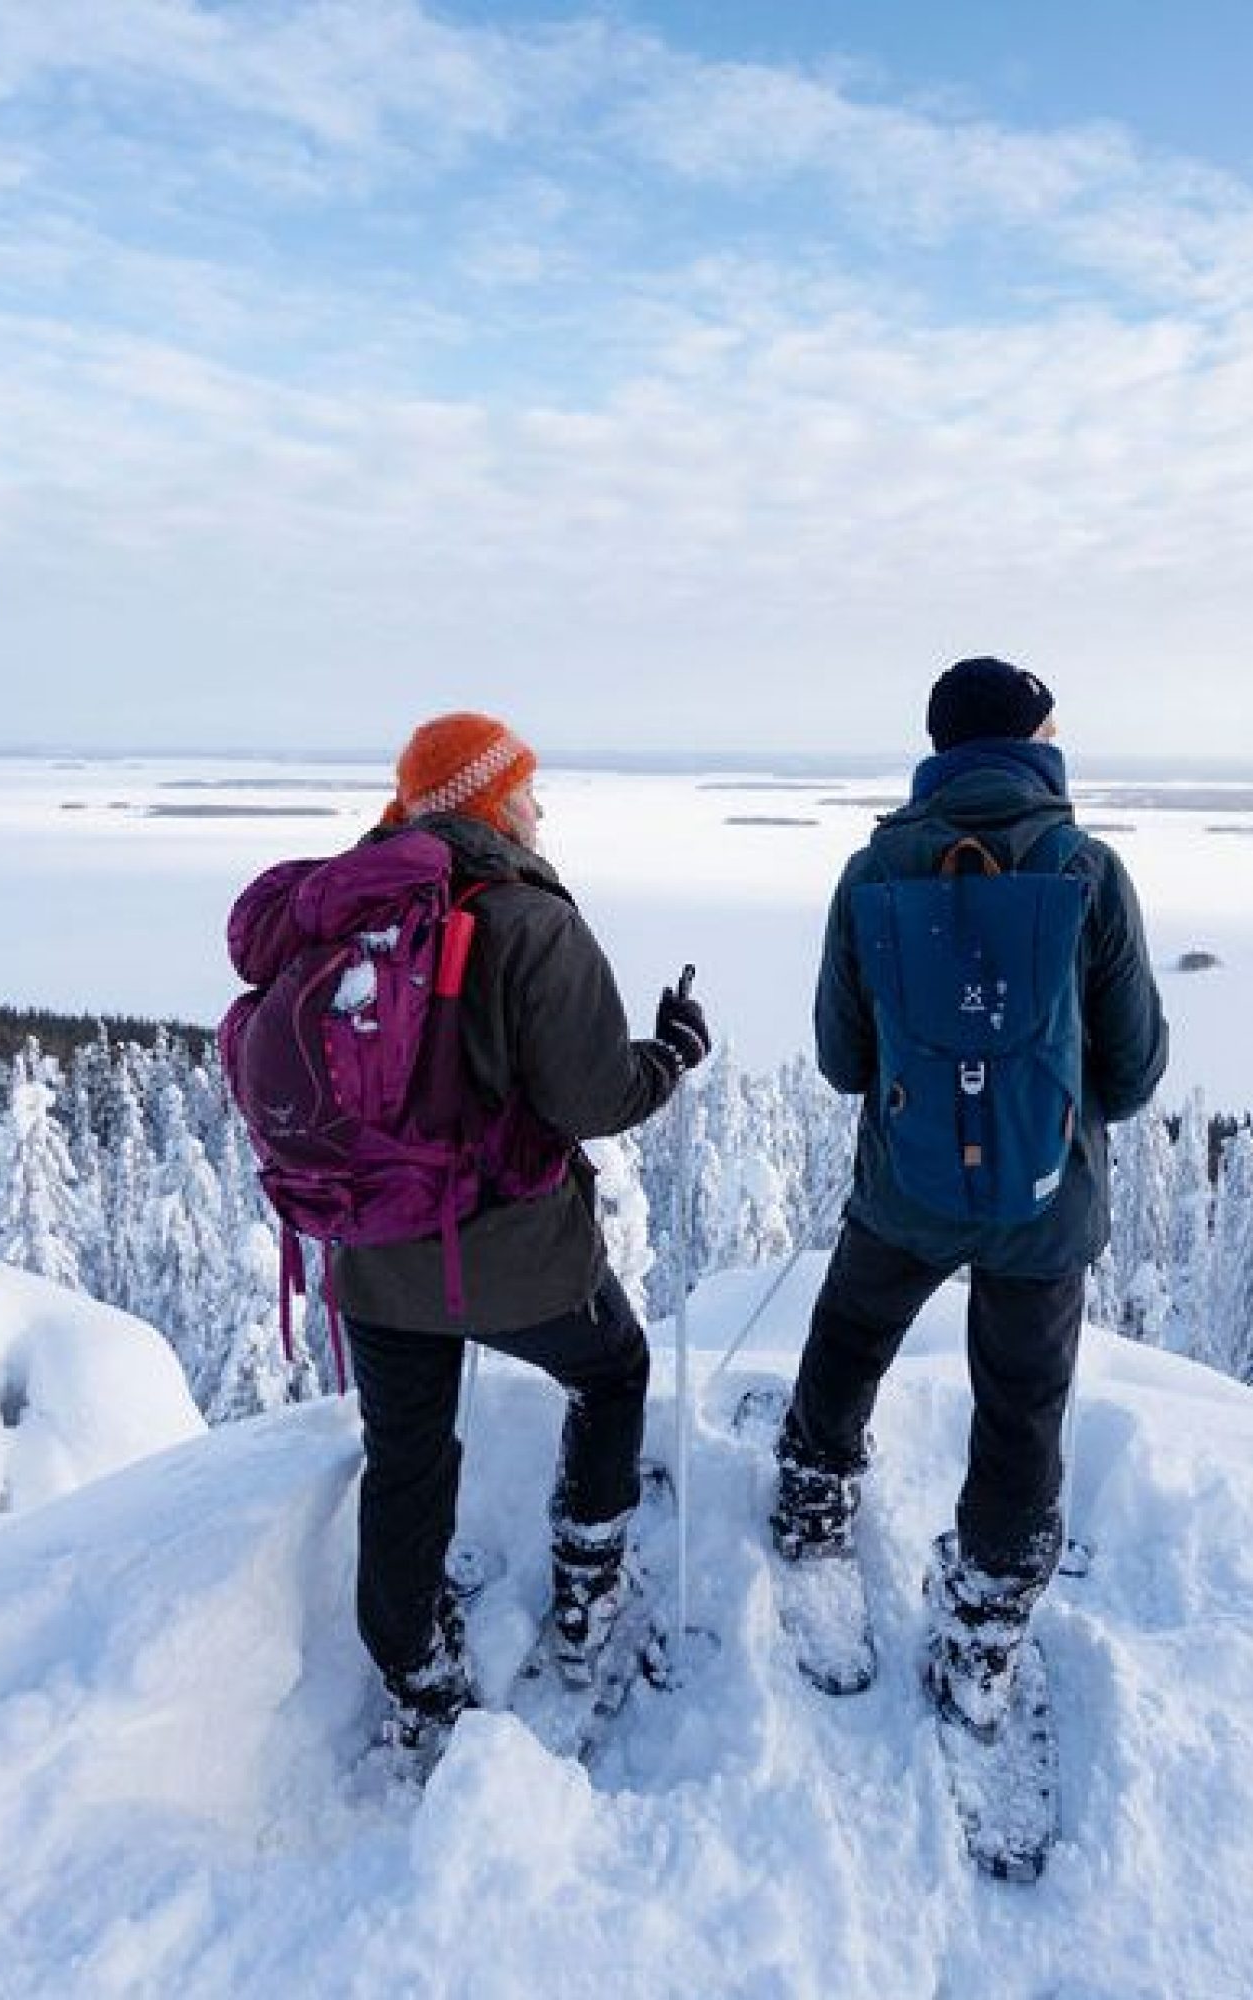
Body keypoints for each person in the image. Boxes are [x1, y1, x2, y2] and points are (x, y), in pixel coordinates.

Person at [772, 657, 1168, 1734]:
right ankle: (987, 1620)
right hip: (1045, 1201)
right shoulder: (1086, 869)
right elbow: (1132, 1074)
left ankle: (813, 1496)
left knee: (852, 1329)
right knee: (1022, 1403)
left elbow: (843, 1058)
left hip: (907, 1180)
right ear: (1036, 738)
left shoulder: (873, 870)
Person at [325, 713, 710, 1755]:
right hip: (510, 1250)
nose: (541, 810)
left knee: (403, 1457)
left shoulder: (346, 906)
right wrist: (670, 1055)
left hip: (373, 1250)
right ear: (491, 802)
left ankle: (417, 1675)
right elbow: (593, 1093)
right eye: (529, 792)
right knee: (614, 1370)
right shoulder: (530, 918)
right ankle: (586, 1587)